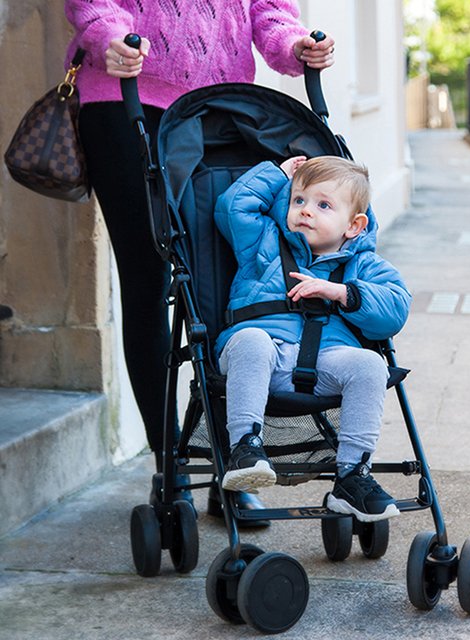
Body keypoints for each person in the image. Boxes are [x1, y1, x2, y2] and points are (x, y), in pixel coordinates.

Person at [64, 1, 335, 524]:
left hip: (225, 113)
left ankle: (234, 463)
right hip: (127, 106)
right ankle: (172, 468)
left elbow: (269, 11)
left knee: (231, 286)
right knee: (149, 281)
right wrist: (109, 38)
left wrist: (294, 45)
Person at [214, 155, 410, 522]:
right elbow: (232, 206)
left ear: (354, 225)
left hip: (326, 359)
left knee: (371, 364)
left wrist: (341, 293)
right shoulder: (264, 240)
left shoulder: (362, 265)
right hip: (261, 355)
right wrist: (278, 174)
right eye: (299, 200)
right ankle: (245, 447)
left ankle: (352, 475)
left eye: (323, 205)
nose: (305, 211)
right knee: (252, 339)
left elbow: (396, 309)